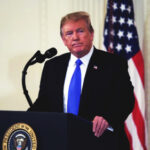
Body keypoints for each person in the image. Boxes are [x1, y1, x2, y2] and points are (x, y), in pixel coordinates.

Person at [28, 11, 135, 149]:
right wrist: (23, 120)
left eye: (80, 31)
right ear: (63, 39)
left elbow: (126, 99)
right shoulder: (53, 66)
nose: (75, 38)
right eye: (69, 33)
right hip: (62, 142)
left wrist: (108, 118)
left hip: (101, 142)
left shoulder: (113, 63)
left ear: (91, 34)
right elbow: (44, 102)